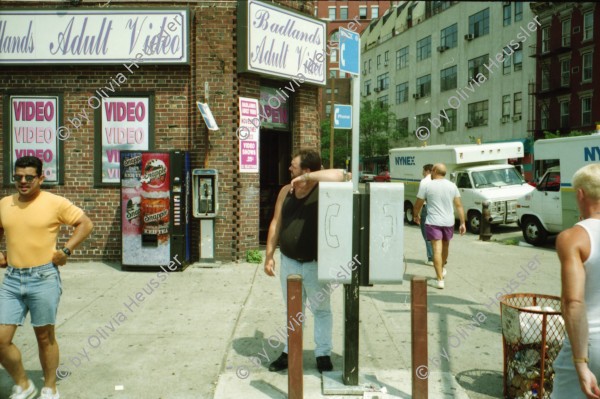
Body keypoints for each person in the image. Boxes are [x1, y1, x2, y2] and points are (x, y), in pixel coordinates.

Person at [0, 156, 94, 399]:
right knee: (1, 340)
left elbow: (85, 223)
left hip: (43, 277)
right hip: (11, 280)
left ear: (40, 178)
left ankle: (50, 387)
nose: (23, 181)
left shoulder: (55, 203)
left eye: (29, 177)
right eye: (18, 177)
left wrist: (66, 250)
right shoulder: (4, 204)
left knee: (44, 336)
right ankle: (24, 384)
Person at [264, 149, 350, 373]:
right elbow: (276, 222)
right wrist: (269, 255)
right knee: (293, 310)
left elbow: (344, 174)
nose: (290, 168)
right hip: (289, 261)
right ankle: (289, 352)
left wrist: (308, 178)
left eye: (294, 165)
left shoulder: (324, 189)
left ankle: (323, 354)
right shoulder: (286, 191)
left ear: (307, 170)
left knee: (321, 310)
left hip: (315, 263)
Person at [551, 164, 600, 399]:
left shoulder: (574, 237)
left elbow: (574, 302)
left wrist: (580, 362)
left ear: (580, 194)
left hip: (591, 342)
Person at [413, 163, 466, 289]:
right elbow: (459, 205)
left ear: (435, 171)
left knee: (437, 249)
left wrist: (416, 215)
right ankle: (441, 269)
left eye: (432, 170)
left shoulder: (427, 185)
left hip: (433, 222)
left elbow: (418, 204)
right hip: (449, 222)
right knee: (445, 247)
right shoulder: (452, 186)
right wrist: (463, 222)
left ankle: (440, 280)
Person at [416, 164, 434, 265]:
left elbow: (420, 199)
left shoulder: (424, 181)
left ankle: (431, 258)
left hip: (426, 208)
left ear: (427, 171)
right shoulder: (440, 181)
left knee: (426, 234)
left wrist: (416, 214)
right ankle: (440, 256)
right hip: (437, 210)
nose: (422, 172)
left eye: (423, 170)